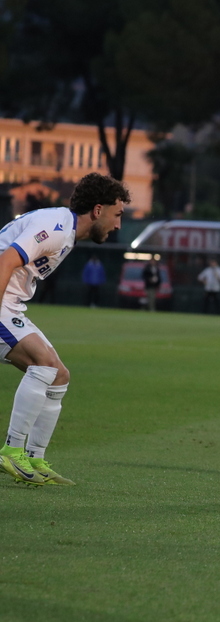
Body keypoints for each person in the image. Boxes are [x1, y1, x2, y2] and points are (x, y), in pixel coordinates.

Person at [0, 172, 129, 486]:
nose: (118, 225)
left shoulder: (67, 230)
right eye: (117, 215)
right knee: (43, 364)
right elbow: (6, 261)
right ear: (97, 210)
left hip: (11, 305)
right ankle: (11, 451)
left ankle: (34, 458)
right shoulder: (56, 229)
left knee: (59, 375)